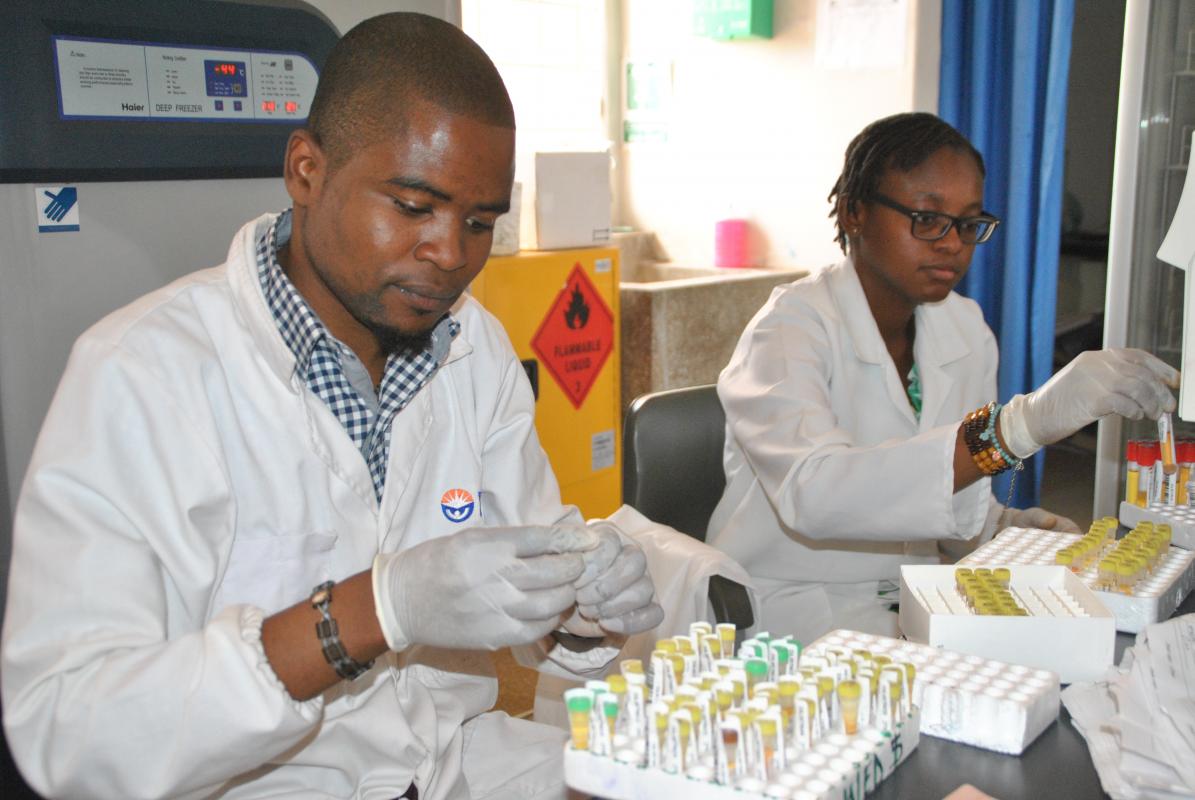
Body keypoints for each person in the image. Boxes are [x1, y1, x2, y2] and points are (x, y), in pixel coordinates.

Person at [0, 14, 663, 800]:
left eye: (480, 221)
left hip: (459, 767)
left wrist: (579, 606)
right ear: (307, 170)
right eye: (414, 206)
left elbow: (517, 565)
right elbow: (65, 732)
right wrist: (371, 609)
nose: (451, 253)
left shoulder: (471, 346)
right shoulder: (142, 374)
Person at [707, 112, 1177, 643]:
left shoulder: (965, 327)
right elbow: (815, 494)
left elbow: (931, 490)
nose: (953, 243)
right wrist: (1014, 428)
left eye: (969, 222)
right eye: (927, 218)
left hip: (921, 594)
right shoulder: (788, 331)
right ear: (854, 211)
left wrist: (997, 527)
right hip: (796, 607)